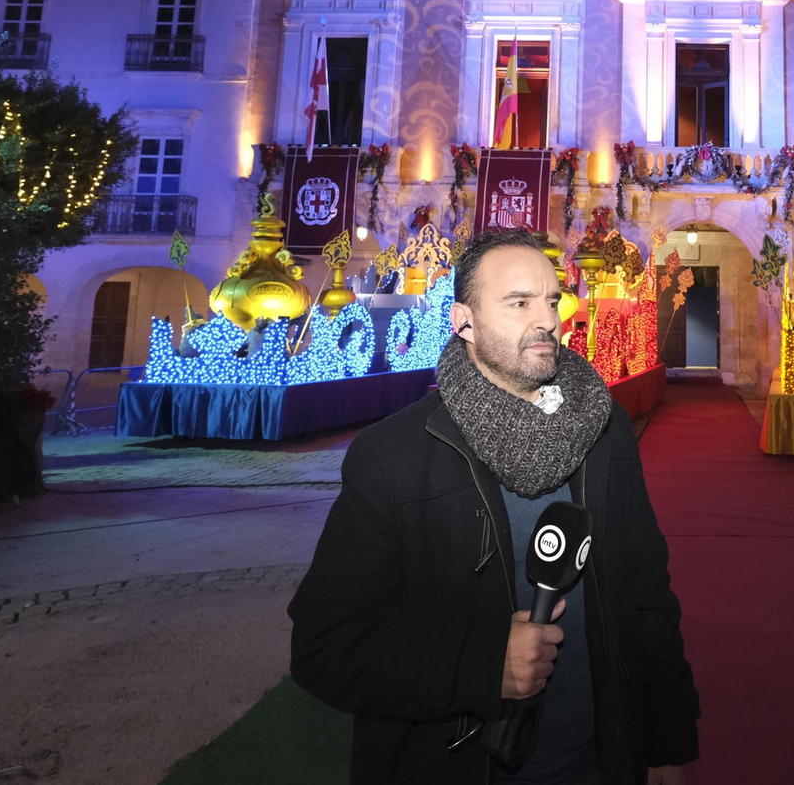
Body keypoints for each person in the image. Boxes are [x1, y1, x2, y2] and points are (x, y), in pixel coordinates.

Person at [288, 228, 699, 784]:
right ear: (464, 322)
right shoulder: (392, 455)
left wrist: (668, 741)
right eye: (519, 302)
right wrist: (481, 663)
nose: (547, 319)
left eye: (552, 300)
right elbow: (325, 644)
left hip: (597, 761)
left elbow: (646, 593)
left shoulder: (606, 430)